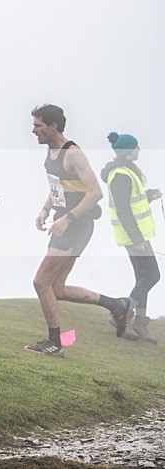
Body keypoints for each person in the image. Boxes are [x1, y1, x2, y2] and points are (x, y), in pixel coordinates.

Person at [26, 104, 130, 357]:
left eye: (38, 125)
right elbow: (58, 188)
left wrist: (68, 218)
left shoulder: (72, 153)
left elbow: (95, 192)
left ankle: (55, 344)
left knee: (41, 282)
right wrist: (45, 209)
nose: (33, 130)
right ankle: (116, 305)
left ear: (53, 126)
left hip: (77, 224)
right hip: (64, 222)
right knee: (57, 289)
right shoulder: (50, 152)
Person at [100, 132, 160, 344]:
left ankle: (139, 324)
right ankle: (122, 312)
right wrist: (136, 238)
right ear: (128, 151)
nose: (139, 149)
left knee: (143, 278)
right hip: (134, 236)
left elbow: (133, 203)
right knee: (153, 276)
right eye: (136, 146)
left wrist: (149, 195)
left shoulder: (126, 172)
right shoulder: (121, 175)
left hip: (137, 235)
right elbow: (124, 210)